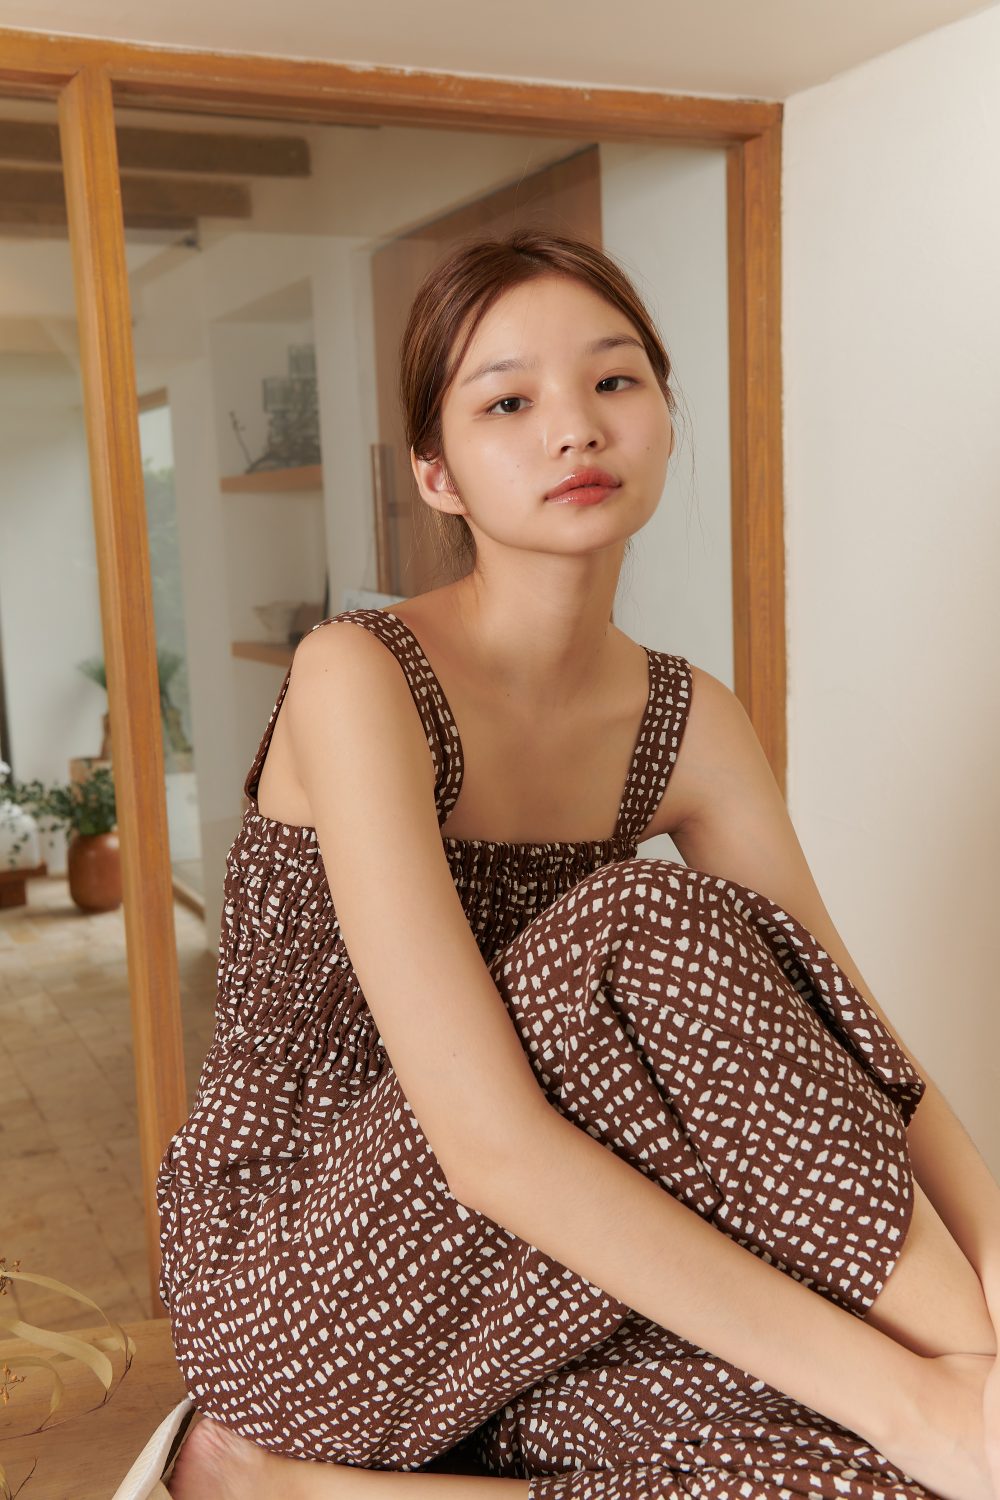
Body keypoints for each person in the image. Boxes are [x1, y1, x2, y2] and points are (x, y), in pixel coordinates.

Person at [148, 232, 1000, 1500]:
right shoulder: (357, 676)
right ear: (435, 474)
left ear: (663, 415)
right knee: (646, 920)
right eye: (507, 403)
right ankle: (954, 1406)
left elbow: (845, 1032)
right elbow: (486, 1145)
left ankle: (302, 1490)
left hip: (537, 1279)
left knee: (864, 1468)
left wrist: (988, 1299)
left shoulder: (690, 719)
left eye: (613, 381)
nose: (575, 428)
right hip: (302, 1283)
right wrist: (926, 1389)